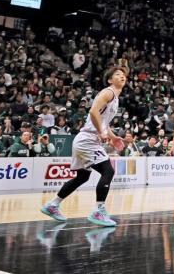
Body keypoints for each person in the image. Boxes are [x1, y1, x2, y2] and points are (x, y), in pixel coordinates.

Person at [40, 66, 128, 227]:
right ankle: (98, 211)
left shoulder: (115, 98)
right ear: (109, 80)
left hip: (86, 139)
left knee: (82, 177)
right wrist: (101, 131)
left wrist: (113, 137)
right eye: (117, 74)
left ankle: (52, 205)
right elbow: (93, 112)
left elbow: (103, 122)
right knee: (108, 171)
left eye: (123, 75)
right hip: (87, 139)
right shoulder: (108, 92)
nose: (122, 76)